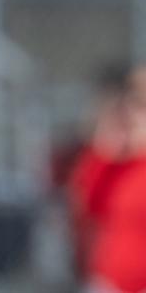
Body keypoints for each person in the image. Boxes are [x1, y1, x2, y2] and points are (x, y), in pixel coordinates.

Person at [69, 63, 146, 292]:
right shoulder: (117, 163)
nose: (133, 113)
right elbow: (86, 206)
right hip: (110, 282)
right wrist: (106, 145)